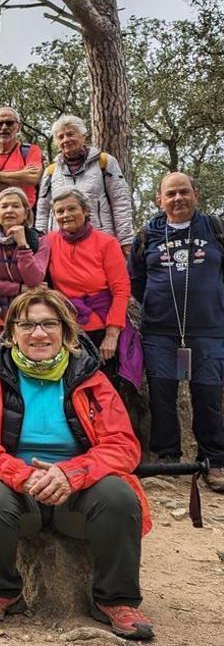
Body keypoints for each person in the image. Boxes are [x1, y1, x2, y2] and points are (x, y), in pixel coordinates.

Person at [0, 288, 153, 641]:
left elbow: (123, 445)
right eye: (27, 325)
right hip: (17, 487)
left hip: (79, 486)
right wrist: (23, 475)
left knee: (120, 496)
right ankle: (2, 589)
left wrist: (71, 473)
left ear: (65, 330)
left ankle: (115, 599)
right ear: (11, 332)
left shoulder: (92, 378)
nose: (39, 334)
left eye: (49, 324)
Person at [130, 172, 224, 492]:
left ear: (196, 194)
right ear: (160, 199)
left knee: (208, 394)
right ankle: (168, 456)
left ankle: (215, 460)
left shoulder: (214, 228)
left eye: (184, 192)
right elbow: (136, 280)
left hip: (209, 329)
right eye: (170, 194)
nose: (177, 198)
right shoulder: (148, 234)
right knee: (162, 393)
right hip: (160, 330)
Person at [45, 188, 140, 393]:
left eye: (71, 209)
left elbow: (121, 289)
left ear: (86, 211)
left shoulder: (107, 243)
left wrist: (112, 335)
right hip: (67, 325)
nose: (65, 215)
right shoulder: (49, 241)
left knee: (104, 389)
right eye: (60, 211)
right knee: (70, 389)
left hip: (102, 326)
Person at [36, 115, 134, 252]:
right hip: (61, 243)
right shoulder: (51, 171)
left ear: (83, 136)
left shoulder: (105, 162)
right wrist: (40, 241)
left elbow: (120, 202)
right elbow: (43, 211)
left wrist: (126, 240)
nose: (66, 140)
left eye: (70, 134)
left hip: (100, 239)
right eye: (61, 137)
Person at [0, 187, 50, 314]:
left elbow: (34, 280)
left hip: (31, 311)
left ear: (26, 213)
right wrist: (20, 288)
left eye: (15, 206)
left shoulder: (40, 240)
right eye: (4, 206)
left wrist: (22, 245)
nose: (9, 210)